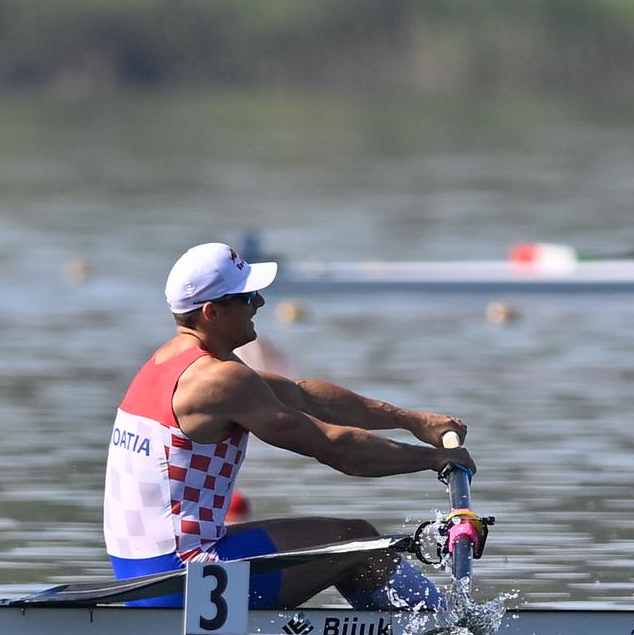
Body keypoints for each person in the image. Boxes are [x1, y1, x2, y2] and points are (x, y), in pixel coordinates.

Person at [103, 242, 474, 610]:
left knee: (347, 542)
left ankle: (391, 632)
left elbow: (304, 396)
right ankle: (446, 631)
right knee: (358, 541)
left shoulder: (169, 363)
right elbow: (338, 450)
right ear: (211, 312)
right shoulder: (218, 380)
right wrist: (435, 459)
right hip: (182, 578)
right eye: (248, 297)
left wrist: (411, 420)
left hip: (144, 572)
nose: (260, 303)